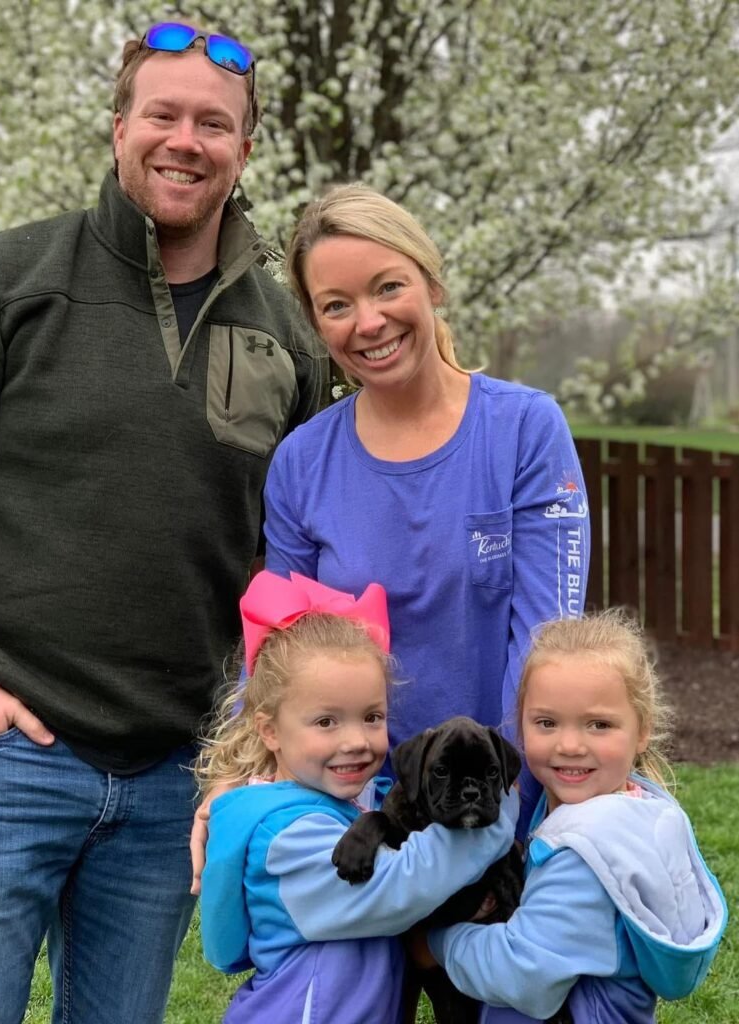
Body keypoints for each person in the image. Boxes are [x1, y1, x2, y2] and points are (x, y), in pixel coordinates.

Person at [0, 21, 322, 1024]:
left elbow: (292, 548)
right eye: (162, 114)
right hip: (1, 755)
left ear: (245, 148)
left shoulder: (285, 333)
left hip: (173, 769)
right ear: (119, 128)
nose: (185, 140)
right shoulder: (7, 278)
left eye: (213, 123)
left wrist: (243, 737)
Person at [265, 183, 590, 834]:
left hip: (501, 805)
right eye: (336, 305)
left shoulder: (524, 430)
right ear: (316, 323)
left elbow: (546, 649)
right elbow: (282, 659)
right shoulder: (301, 461)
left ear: (432, 284)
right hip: (354, 814)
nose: (368, 322)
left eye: (388, 287)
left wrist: (498, 817)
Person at [198, 569, 519, 1024]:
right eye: (326, 722)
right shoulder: (284, 839)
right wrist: (499, 814)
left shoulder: (343, 804)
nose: (355, 741)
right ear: (269, 730)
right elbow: (403, 883)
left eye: (372, 717)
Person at [419, 610, 728, 1022]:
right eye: (547, 722)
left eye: (598, 725)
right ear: (521, 725)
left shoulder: (586, 855)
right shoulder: (636, 811)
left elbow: (524, 976)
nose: (569, 745)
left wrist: (437, 943)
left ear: (642, 730)